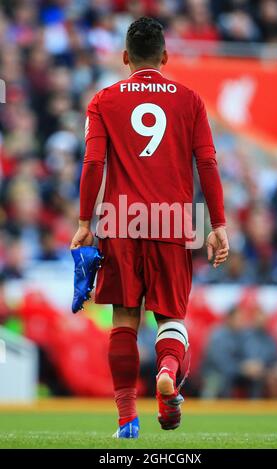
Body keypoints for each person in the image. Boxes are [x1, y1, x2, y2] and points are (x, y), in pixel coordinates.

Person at [70, 17, 229, 438]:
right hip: (175, 222)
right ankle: (167, 370)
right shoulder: (190, 100)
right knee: (171, 318)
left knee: (124, 320)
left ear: (125, 57)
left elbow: (93, 164)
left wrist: (86, 221)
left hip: (121, 221)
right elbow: (208, 163)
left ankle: (126, 419)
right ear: (165, 56)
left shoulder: (104, 100)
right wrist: (218, 224)